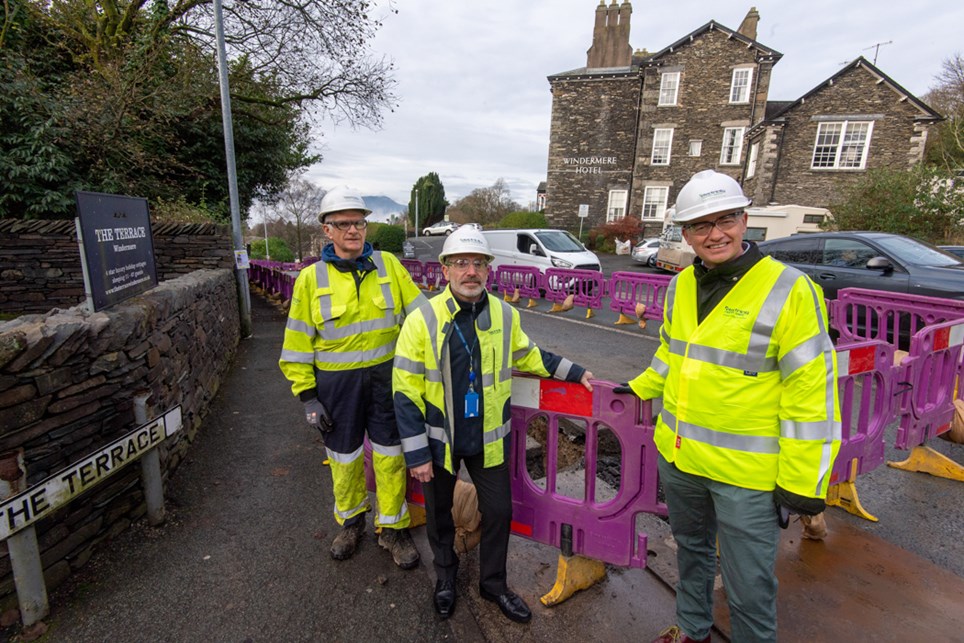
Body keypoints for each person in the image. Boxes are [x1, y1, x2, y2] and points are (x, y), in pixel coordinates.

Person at [618, 170, 841, 643]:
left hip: (748, 475)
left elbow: (812, 391)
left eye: (726, 220)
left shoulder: (790, 289)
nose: (715, 234)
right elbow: (673, 353)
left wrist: (803, 482)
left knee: (749, 583)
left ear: (745, 221)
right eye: (701, 225)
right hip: (681, 458)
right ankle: (692, 627)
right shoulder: (681, 286)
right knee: (692, 552)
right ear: (686, 233)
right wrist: (637, 388)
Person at [392, 227, 594, 623]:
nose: (471, 271)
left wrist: (576, 371)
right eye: (462, 263)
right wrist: (416, 453)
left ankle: (493, 584)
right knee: (439, 518)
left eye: (479, 263)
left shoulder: (505, 313)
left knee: (499, 512)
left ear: (489, 269)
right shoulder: (422, 319)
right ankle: (446, 579)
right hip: (439, 445)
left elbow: (530, 355)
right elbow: (405, 391)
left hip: (488, 442)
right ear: (445, 270)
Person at [279, 186, 427, 569]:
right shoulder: (310, 280)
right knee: (344, 458)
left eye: (358, 222)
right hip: (336, 387)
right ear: (326, 230)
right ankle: (351, 523)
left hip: (386, 381)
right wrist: (308, 396)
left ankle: (392, 528)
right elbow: (296, 345)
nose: (352, 230)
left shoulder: (389, 265)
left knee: (391, 456)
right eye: (342, 224)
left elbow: (422, 318)